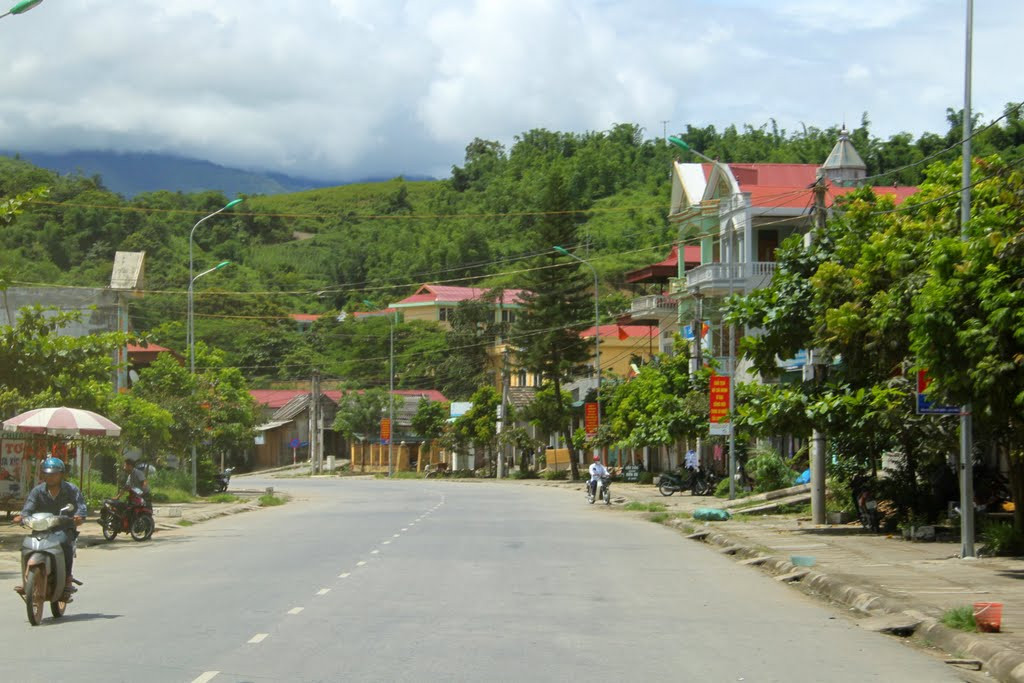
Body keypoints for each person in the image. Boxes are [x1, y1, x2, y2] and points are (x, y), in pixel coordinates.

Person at [13, 457, 86, 600]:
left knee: (65, 543)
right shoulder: (37, 491)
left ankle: (67, 579)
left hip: (64, 528)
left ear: (61, 474)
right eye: (47, 473)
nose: (50, 477)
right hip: (41, 529)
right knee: (26, 546)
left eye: (54, 473)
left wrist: (79, 517)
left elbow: (80, 506)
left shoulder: (71, 489)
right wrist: (22, 517)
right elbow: (28, 508)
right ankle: (27, 581)